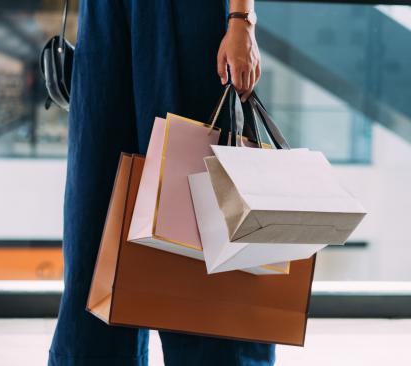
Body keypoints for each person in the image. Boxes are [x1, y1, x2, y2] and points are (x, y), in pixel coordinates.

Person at [49, 0, 272, 365]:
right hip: (106, 18)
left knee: (199, 219)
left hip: (190, 18)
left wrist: (242, 18)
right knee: (98, 221)